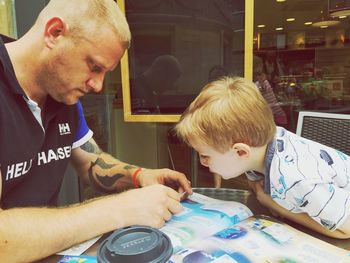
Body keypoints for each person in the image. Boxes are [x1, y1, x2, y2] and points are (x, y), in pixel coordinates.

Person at [0, 0, 192, 261]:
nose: (98, 85)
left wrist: (140, 176)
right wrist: (120, 209)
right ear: (55, 32)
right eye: (95, 67)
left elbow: (90, 161)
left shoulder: (62, 93)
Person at [175, 76, 350, 239]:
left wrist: (274, 204)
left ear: (241, 152)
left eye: (205, 156)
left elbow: (345, 230)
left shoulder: (296, 180)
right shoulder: (263, 147)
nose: (202, 162)